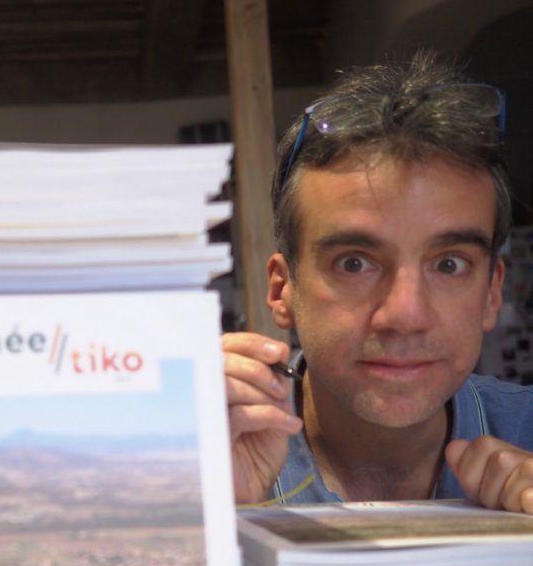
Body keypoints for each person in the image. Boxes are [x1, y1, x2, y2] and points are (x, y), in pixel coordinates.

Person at [224, 50, 533, 515]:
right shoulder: (211, 446)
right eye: (354, 264)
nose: (405, 316)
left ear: (492, 292)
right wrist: (197, 520)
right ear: (282, 290)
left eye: (449, 265)